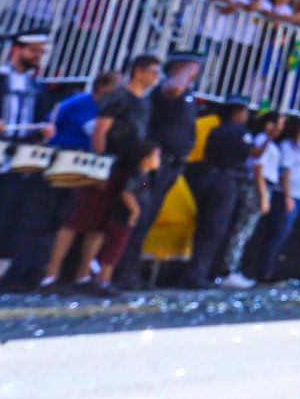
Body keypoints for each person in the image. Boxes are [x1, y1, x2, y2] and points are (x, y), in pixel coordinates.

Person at [41, 55, 160, 291]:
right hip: (108, 165)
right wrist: (99, 165)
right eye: (153, 71)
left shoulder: (144, 103)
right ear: (138, 71)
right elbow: (100, 131)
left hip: (130, 168)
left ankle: (83, 276)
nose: (157, 77)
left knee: (103, 224)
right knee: (78, 219)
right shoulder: (118, 97)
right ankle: (51, 276)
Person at [0, 33, 56, 296]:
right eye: (33, 50)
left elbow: (39, 119)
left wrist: (43, 130)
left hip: (14, 162)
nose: (37, 56)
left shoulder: (37, 86)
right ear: (17, 50)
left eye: (40, 51)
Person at [111, 53, 200, 289]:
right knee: (139, 211)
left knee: (148, 215)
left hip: (170, 167)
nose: (196, 71)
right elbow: (173, 87)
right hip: (151, 169)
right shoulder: (168, 88)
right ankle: (120, 270)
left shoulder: (187, 94)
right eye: (192, 67)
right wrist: (185, 70)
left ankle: (129, 269)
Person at [72, 141, 161, 296]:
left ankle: (97, 278)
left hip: (121, 217)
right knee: (113, 250)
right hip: (122, 218)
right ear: (144, 158)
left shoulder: (146, 177)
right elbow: (127, 193)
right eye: (156, 156)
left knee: (113, 248)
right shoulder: (137, 175)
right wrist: (135, 211)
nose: (158, 160)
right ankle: (103, 281)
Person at [182, 102, 250, 289]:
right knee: (215, 229)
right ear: (237, 113)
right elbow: (252, 153)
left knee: (204, 226)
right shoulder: (239, 132)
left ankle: (193, 272)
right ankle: (200, 274)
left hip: (207, 176)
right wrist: (270, 137)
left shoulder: (215, 130)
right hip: (226, 181)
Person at [216, 111, 282, 290]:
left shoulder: (267, 142)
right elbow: (258, 168)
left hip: (261, 187)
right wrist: (263, 196)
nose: (281, 127)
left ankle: (233, 269)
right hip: (256, 187)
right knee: (242, 230)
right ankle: (228, 271)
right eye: (278, 123)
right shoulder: (261, 139)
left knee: (245, 231)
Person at [256, 115, 300, 284]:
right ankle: (265, 273)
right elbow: (285, 173)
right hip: (286, 196)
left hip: (297, 196)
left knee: (284, 234)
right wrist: (288, 197)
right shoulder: (287, 146)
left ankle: (272, 270)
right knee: (278, 233)